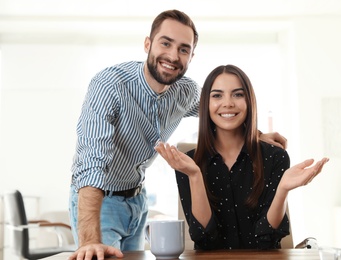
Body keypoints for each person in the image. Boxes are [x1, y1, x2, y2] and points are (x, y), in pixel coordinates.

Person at [68, 10, 287, 260]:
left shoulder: (185, 92)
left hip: (137, 200)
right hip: (100, 200)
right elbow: (91, 163)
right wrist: (90, 241)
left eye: (183, 49)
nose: (173, 56)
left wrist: (256, 135)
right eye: (165, 43)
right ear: (147, 44)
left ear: (191, 56)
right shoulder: (110, 86)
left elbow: (221, 108)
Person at [155, 64, 329, 250]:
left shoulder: (274, 157)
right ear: (206, 104)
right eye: (217, 95)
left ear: (249, 102)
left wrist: (283, 190)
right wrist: (195, 175)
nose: (228, 103)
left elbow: (268, 240)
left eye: (237, 94)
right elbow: (204, 239)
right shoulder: (189, 163)